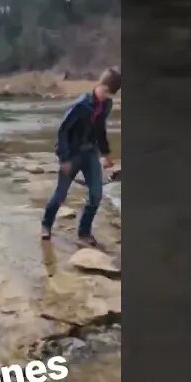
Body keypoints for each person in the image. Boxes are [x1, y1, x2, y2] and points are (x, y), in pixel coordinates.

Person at [41, 67, 121, 247]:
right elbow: (62, 131)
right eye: (105, 92)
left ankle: (84, 232)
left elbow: (100, 130)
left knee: (96, 194)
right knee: (60, 195)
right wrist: (64, 159)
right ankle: (46, 225)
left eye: (110, 94)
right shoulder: (80, 105)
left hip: (90, 152)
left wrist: (105, 154)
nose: (106, 96)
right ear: (99, 84)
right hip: (71, 153)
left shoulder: (106, 105)